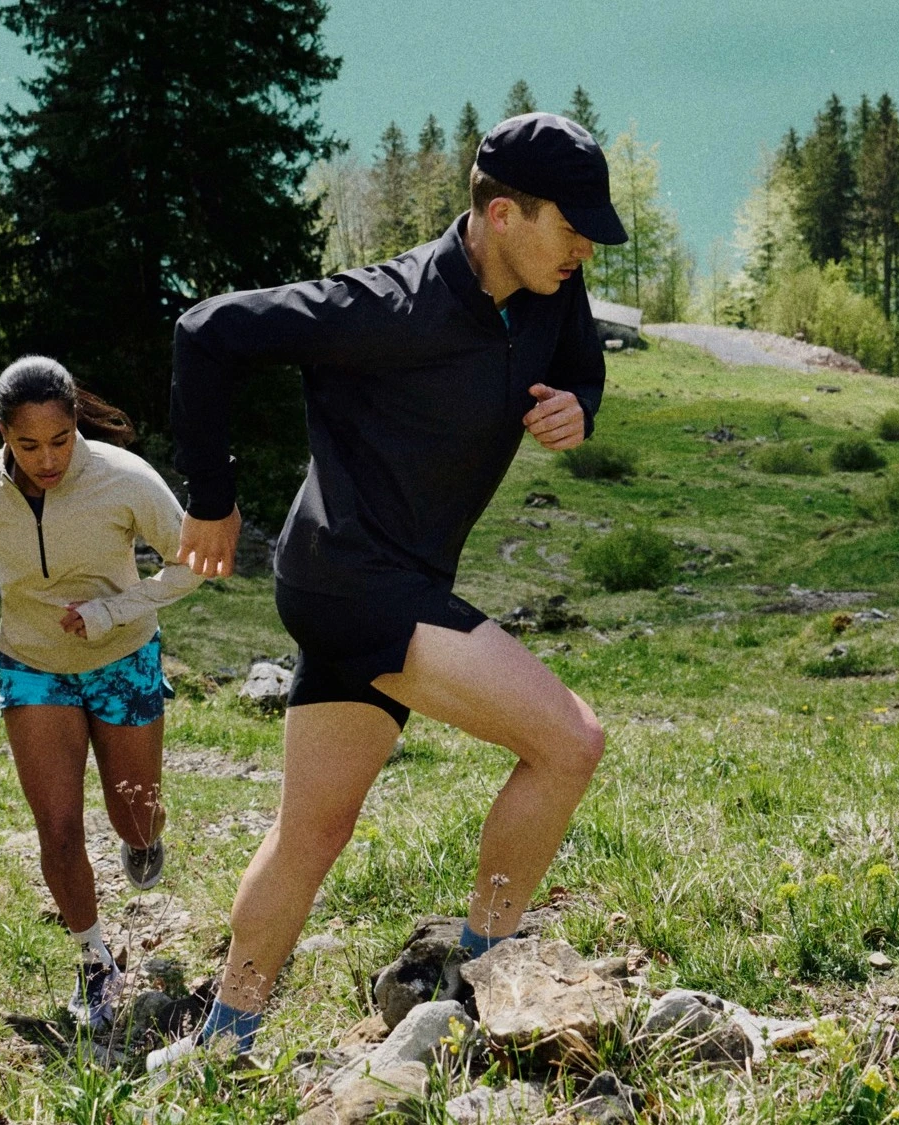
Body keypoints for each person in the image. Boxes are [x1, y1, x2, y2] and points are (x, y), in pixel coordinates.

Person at [150, 114, 624, 1068]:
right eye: (570, 228)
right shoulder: (385, 305)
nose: (584, 249)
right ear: (501, 213)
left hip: (385, 585)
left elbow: (577, 363)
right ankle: (488, 981)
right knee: (569, 743)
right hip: (351, 582)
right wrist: (211, 500)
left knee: (311, 831)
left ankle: (222, 1040)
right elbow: (204, 333)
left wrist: (581, 406)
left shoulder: (546, 293)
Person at [0, 356, 205, 1032]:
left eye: (59, 440)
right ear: (4, 431)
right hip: (32, 663)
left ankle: (144, 841)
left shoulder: (124, 479)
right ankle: (95, 963)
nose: (47, 458)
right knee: (56, 828)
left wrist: (113, 611)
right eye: (28, 444)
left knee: (134, 817)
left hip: (121, 658)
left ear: (75, 423)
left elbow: (191, 563)